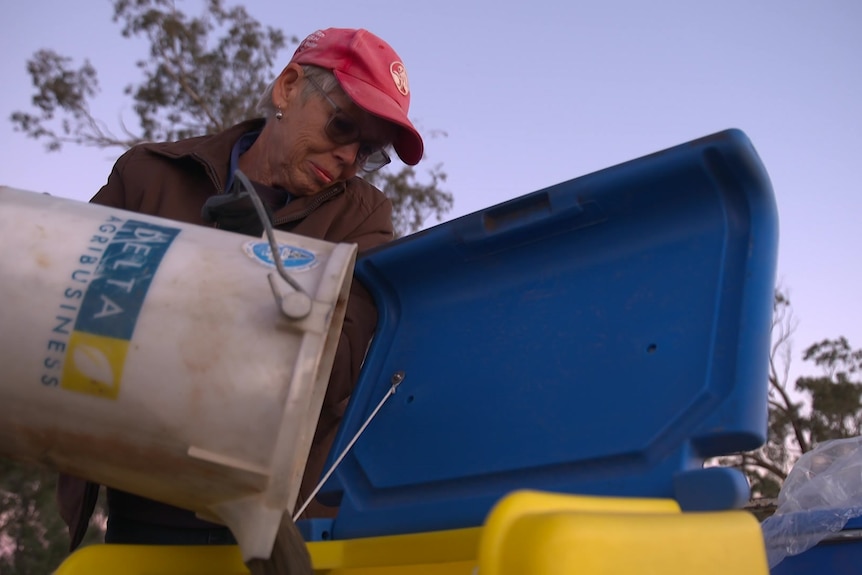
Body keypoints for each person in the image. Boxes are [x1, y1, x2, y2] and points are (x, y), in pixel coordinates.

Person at [57, 27, 424, 550]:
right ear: (289, 87)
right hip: (135, 502)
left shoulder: (363, 218)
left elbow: (337, 368)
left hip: (259, 522)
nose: (348, 157)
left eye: (367, 151)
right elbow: (68, 300)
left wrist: (238, 277)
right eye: (343, 125)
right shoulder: (150, 175)